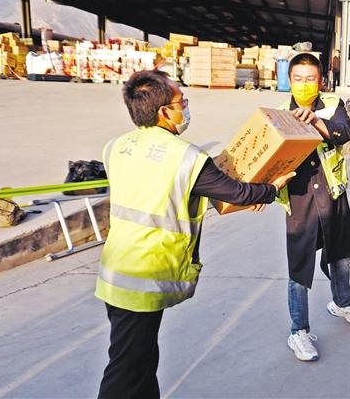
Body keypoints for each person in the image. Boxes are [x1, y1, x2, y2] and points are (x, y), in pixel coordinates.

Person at [95, 70, 295, 398]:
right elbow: (237, 193)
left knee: (141, 358)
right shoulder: (185, 156)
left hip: (116, 269)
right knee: (126, 367)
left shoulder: (116, 147)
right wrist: (271, 189)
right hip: (143, 274)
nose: (186, 107)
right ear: (163, 112)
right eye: (181, 101)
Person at [278, 53, 350, 362]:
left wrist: (316, 120)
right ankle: (298, 331)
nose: (305, 85)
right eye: (299, 79)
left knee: (341, 257)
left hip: (332, 195)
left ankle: (341, 303)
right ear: (289, 81)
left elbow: (345, 132)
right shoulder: (276, 115)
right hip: (300, 200)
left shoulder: (332, 106)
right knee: (299, 270)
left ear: (321, 81)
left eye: (311, 79)